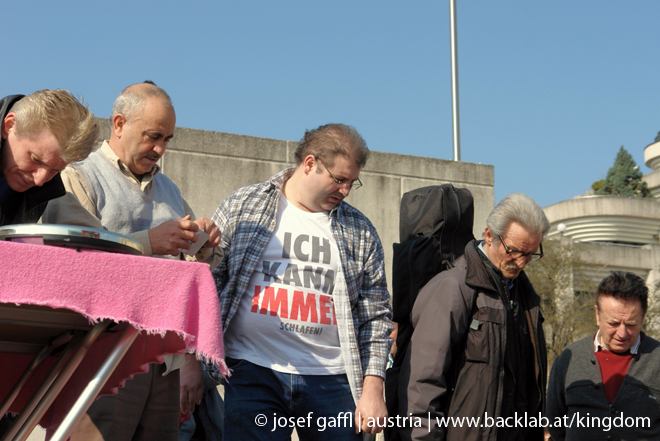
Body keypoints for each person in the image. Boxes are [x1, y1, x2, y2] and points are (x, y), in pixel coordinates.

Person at [42, 82, 222, 441]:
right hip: (99, 356)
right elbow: (71, 262)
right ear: (119, 123)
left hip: (162, 362)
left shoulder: (169, 189)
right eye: (154, 136)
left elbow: (193, 269)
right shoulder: (77, 175)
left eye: (168, 138)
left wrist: (204, 244)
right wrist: (149, 243)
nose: (160, 149)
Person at [212, 123, 393, 440]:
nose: (346, 190)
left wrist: (374, 386)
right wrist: (193, 361)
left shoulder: (360, 230)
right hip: (253, 370)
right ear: (310, 163)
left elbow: (375, 315)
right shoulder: (244, 206)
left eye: (353, 182)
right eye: (339, 179)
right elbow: (208, 284)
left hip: (332, 379)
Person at [397, 193, 549, 441]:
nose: (522, 262)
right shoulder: (453, 287)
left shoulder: (527, 296)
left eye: (531, 253)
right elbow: (423, 382)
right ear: (489, 235)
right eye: (514, 251)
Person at [546, 271, 660, 441]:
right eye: (613, 323)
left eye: (630, 324)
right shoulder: (568, 359)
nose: (622, 333)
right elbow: (555, 421)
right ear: (597, 315)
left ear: (642, 317)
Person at [0, 90, 98, 226]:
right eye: (36, 159)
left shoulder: (50, 191)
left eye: (55, 171)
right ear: (9, 126)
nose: (40, 181)